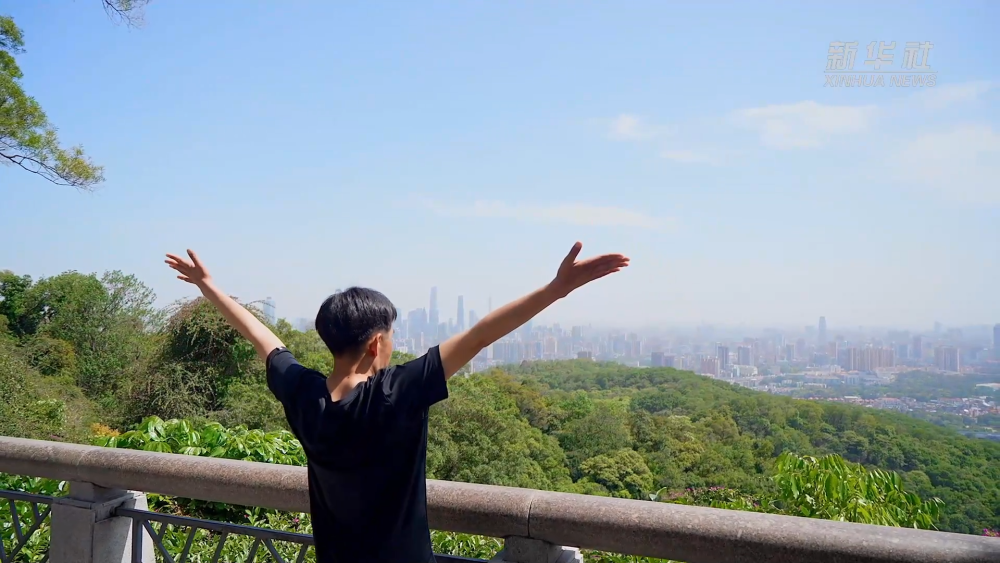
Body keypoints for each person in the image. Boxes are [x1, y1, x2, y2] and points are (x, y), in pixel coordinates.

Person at [164, 242, 629, 563]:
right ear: (375, 344)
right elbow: (480, 335)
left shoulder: (303, 394)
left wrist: (209, 286)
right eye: (390, 336)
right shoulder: (397, 392)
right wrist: (556, 289)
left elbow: (261, 337)